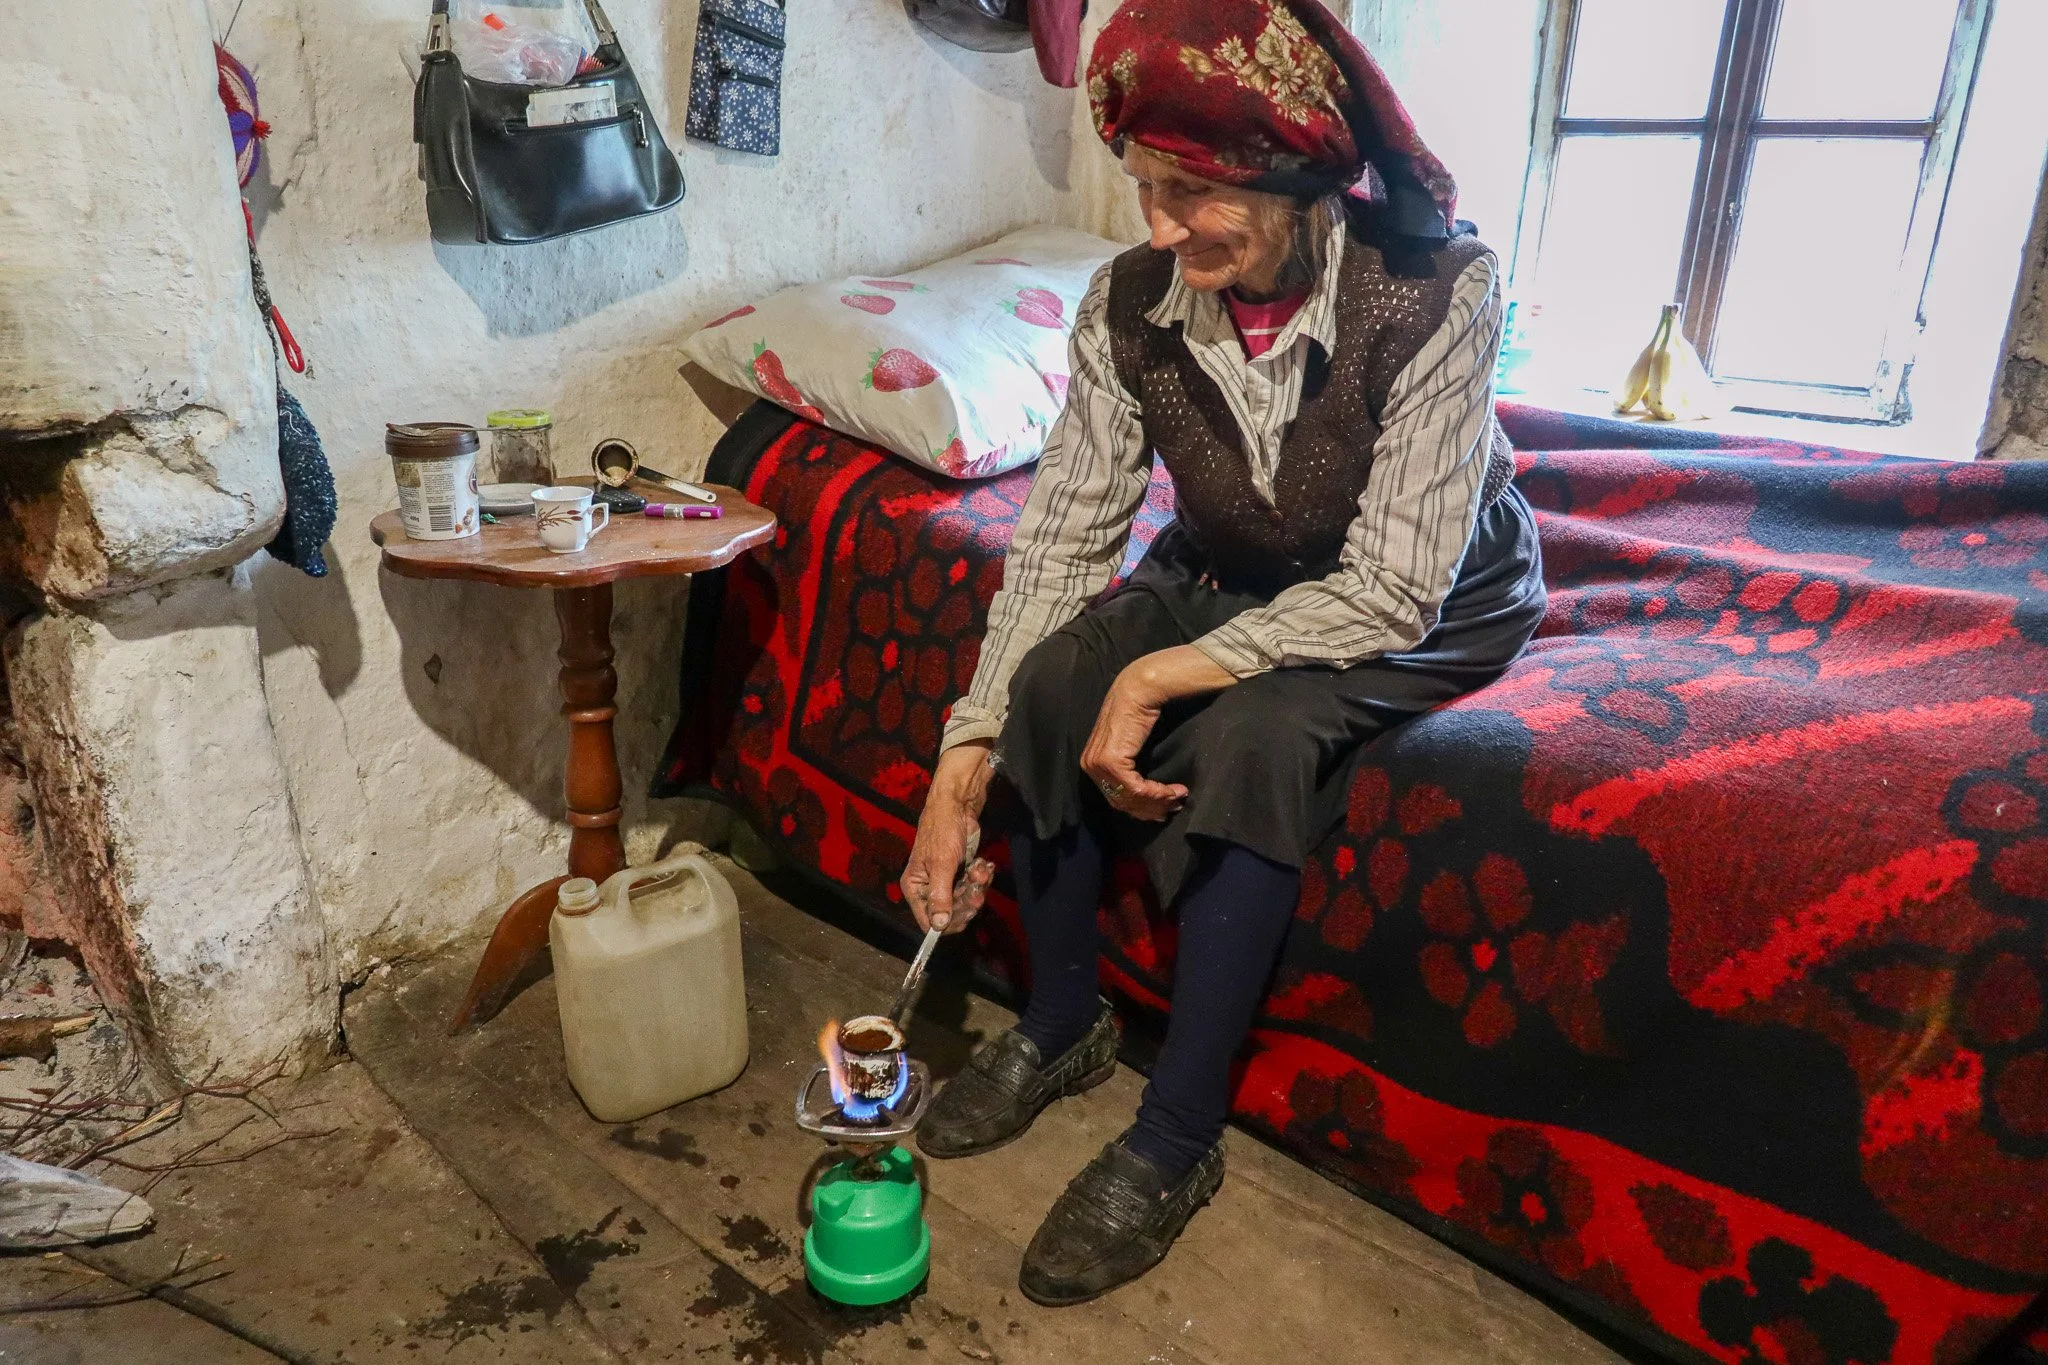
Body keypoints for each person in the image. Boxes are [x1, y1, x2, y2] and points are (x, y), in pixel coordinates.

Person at [898, 0, 1547, 1306]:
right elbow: (1065, 542)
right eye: (1143, 187)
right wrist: (964, 750)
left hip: (1418, 593)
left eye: (1194, 191)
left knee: (1256, 731)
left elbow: (1389, 586)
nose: (1159, 228)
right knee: (1052, 671)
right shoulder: (1126, 305)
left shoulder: (1436, 293)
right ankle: (1060, 1022)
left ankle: (1176, 1138)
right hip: (1238, 565)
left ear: (1294, 170)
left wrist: (1162, 676)